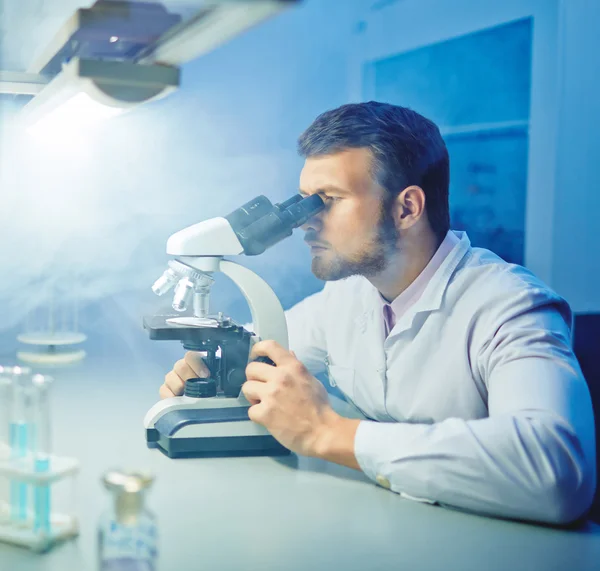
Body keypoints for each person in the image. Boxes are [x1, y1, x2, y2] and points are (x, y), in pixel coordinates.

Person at [160, 102, 596, 525]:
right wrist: (208, 367)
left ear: (406, 208)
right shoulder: (349, 294)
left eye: (327, 200)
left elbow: (556, 469)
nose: (305, 223)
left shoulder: (510, 306)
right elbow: (262, 346)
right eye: (304, 202)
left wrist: (327, 432)